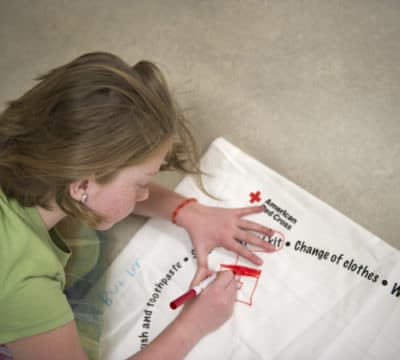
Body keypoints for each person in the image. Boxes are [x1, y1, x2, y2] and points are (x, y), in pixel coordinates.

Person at [0, 52, 274, 359]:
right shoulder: (25, 283)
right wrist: (192, 325)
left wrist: (189, 212)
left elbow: (105, 188)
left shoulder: (29, 146)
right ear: (81, 186)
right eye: (141, 184)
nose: (145, 195)